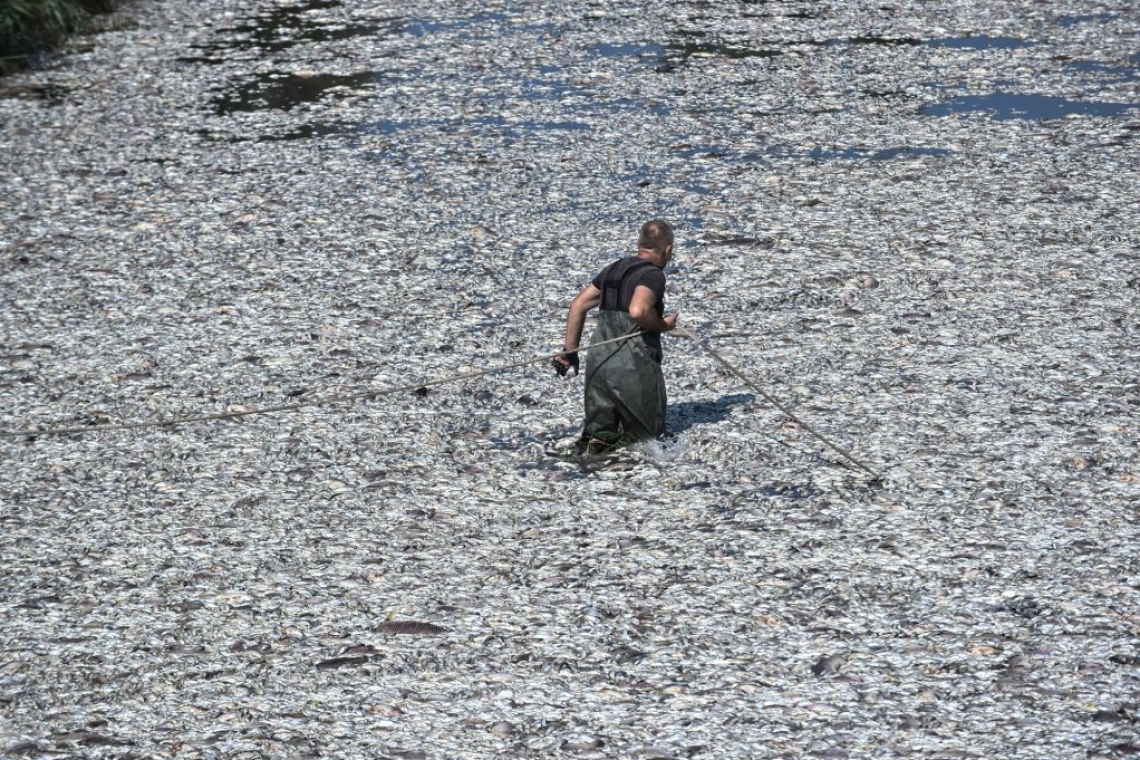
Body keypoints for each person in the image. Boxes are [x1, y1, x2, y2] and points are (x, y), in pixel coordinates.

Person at [553, 219, 679, 453]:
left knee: (597, 442)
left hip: (598, 366)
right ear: (668, 249)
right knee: (648, 444)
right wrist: (663, 325)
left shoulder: (614, 268)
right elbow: (638, 310)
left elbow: (578, 305)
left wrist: (569, 352)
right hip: (634, 368)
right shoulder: (653, 275)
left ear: (638, 243)